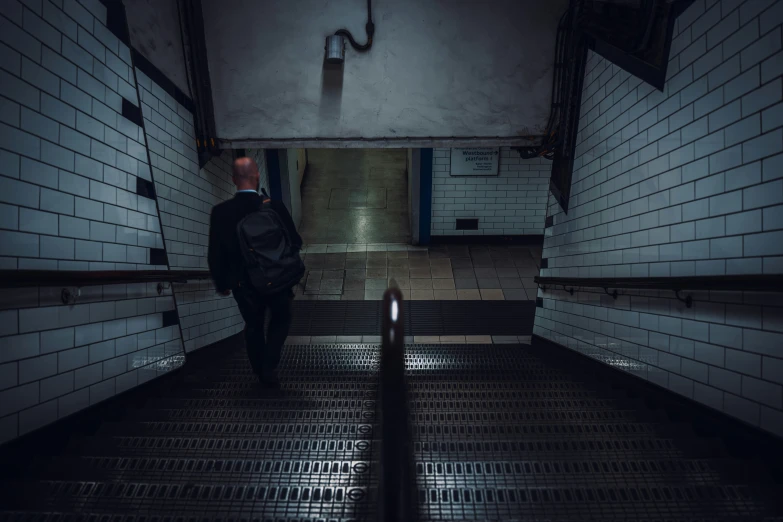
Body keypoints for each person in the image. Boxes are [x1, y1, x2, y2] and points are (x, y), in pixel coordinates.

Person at [207, 157, 303, 385]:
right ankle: (270, 364)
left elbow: (215, 254)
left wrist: (222, 284)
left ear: (233, 180)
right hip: (277, 281)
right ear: (257, 177)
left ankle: (260, 371)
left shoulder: (220, 212)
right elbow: (296, 241)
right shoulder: (273, 206)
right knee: (281, 319)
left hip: (244, 285)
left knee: (253, 326)